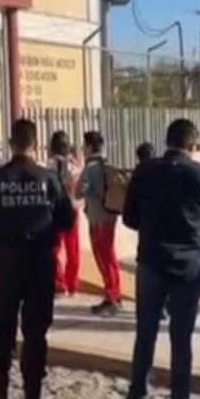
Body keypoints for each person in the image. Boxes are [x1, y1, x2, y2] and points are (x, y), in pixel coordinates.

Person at [117, 119, 200, 399]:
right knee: (181, 337)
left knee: (145, 332)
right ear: (193, 145)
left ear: (168, 141)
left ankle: (136, 397)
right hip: (188, 263)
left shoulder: (145, 171)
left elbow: (129, 217)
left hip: (152, 260)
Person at [0, 118, 75, 399]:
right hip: (39, 262)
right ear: (35, 143)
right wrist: (45, 232)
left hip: (7, 263)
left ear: (11, 143)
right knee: (35, 333)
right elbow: (66, 219)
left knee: (2, 328)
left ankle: (0, 397)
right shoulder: (48, 179)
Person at [76, 131, 123, 316]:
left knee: (104, 258)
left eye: (84, 146)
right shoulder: (106, 163)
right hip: (109, 215)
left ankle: (111, 297)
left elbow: (79, 192)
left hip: (97, 218)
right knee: (109, 256)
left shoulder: (90, 167)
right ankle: (114, 293)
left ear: (88, 147)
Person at [48, 130, 82, 296]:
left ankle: (59, 283)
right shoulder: (75, 166)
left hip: (55, 211)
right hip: (72, 209)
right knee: (73, 248)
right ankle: (72, 284)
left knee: (54, 248)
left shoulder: (49, 165)